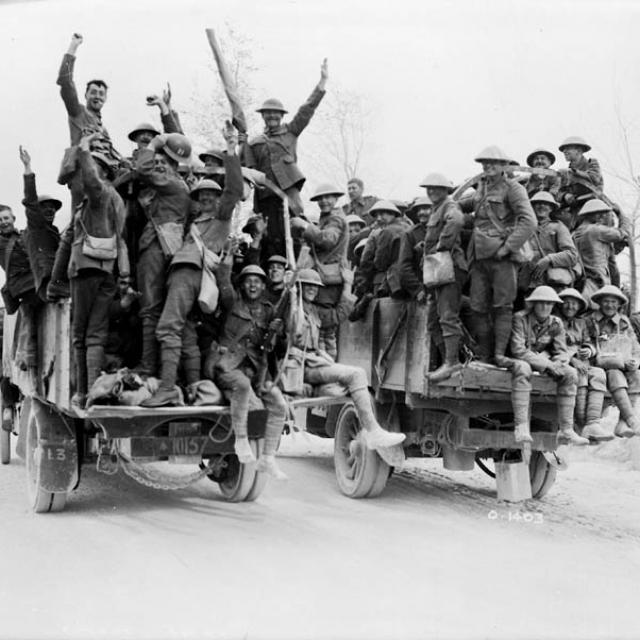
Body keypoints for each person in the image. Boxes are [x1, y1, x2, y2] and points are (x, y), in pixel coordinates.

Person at [142, 122, 243, 407]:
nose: (208, 199)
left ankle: (167, 390)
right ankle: (196, 388)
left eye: (212, 195)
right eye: (202, 195)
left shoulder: (221, 218)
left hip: (189, 272)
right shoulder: (194, 220)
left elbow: (234, 189)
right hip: (185, 273)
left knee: (167, 328)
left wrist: (231, 149)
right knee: (185, 333)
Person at [287, 268, 405, 465]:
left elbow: (340, 314)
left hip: (313, 365)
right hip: (297, 368)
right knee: (357, 374)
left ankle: (371, 429)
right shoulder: (292, 307)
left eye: (315, 287)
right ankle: (374, 432)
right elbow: (287, 310)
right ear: (298, 287)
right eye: (307, 286)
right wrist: (289, 288)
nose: (312, 290)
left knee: (353, 390)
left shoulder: (315, 312)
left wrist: (348, 285)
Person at [52, 133, 130, 409]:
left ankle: (82, 392)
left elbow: (92, 182)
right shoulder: (117, 201)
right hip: (107, 271)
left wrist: (84, 151)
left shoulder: (99, 195)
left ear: (103, 172)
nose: (90, 172)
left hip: (86, 270)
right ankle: (95, 390)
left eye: (95, 167)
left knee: (79, 335)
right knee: (96, 335)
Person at [204, 264, 289, 478]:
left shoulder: (269, 310)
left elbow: (277, 348)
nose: (253, 285)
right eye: (248, 281)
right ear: (242, 285)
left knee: (279, 404)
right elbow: (224, 280)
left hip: (256, 370)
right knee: (241, 386)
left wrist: (279, 333)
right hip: (227, 364)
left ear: (263, 286)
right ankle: (241, 441)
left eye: (258, 281)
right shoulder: (232, 302)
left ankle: (268, 458)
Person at [243, 59, 328, 258]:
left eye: (275, 113)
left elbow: (307, 110)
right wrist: (241, 144)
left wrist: (322, 83)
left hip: (288, 196)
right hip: (265, 198)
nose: (272, 116)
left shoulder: (291, 132)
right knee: (269, 237)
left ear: (281, 116)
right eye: (268, 113)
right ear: (263, 116)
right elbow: (249, 168)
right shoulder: (255, 142)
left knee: (294, 233)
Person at [467, 146, 537, 366]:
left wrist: (507, 248)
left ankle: (499, 355)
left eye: (493, 163)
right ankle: (485, 355)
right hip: (479, 257)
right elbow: (469, 208)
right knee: (478, 308)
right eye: (485, 163)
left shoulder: (513, 189)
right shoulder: (481, 188)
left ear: (504, 166)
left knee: (502, 307)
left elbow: (529, 221)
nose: (488, 166)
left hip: (502, 258)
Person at [131, 132, 194, 374]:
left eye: (162, 162)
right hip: (168, 248)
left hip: (155, 246)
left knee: (149, 309)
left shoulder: (173, 184)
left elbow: (143, 169)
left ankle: (148, 367)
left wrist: (153, 144)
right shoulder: (181, 186)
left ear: (170, 164)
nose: (159, 166)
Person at [510, 286, 588, 445]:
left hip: (544, 361)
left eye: (549, 304)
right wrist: (547, 365)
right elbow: (518, 350)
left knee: (571, 373)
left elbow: (561, 350)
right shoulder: (520, 318)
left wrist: (559, 363)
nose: (545, 307)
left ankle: (566, 430)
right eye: (541, 303)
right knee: (522, 369)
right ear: (533, 304)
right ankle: (521, 426)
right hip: (521, 359)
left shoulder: (556, 323)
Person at [290, 183, 348, 358]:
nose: (324, 201)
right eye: (320, 198)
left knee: (325, 331)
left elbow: (328, 240)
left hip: (329, 282)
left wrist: (304, 226)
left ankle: (329, 370)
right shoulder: (326, 219)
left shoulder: (336, 219)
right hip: (325, 279)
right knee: (320, 330)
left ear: (336, 198)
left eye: (328, 197)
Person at [420, 173, 467, 382]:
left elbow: (456, 221)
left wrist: (441, 245)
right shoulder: (437, 209)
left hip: (451, 267)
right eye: (429, 188)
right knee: (434, 320)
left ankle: (452, 362)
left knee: (448, 316)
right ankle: (449, 361)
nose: (431, 192)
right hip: (440, 270)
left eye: (436, 188)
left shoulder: (449, 206)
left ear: (445, 190)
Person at [586, 285, 640, 437]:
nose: (610, 305)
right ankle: (632, 420)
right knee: (614, 374)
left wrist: (635, 360)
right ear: (600, 302)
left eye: (613, 302)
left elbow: (634, 345)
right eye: (606, 301)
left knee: (637, 376)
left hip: (620, 364)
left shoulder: (623, 322)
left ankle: (623, 424)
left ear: (618, 304)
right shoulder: (591, 321)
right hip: (597, 364)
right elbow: (585, 342)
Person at [557, 288, 610, 441]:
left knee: (599, 373)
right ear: (560, 305)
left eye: (574, 304)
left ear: (579, 307)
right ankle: (581, 423)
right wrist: (574, 360)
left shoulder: (581, 323)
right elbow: (553, 348)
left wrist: (588, 350)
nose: (570, 307)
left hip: (582, 363)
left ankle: (593, 422)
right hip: (564, 363)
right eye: (566, 303)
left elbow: (588, 341)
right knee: (581, 374)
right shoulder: (554, 321)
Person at [19, 147, 62, 302]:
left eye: (53, 207)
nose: (50, 209)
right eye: (45, 206)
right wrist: (28, 168)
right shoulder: (36, 226)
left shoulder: (55, 231)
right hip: (48, 280)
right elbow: (31, 200)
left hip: (57, 278)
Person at [0, 204, 39, 370]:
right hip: (21, 284)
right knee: (29, 309)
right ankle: (26, 356)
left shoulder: (24, 235)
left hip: (31, 282)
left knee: (28, 312)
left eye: (6, 218)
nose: (3, 222)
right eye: (0, 220)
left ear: (13, 219)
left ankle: (23, 354)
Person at [571, 199, 629, 305]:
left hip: (582, 282)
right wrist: (621, 215)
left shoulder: (574, 234)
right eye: (600, 213)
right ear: (593, 215)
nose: (602, 216)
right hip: (598, 282)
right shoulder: (596, 230)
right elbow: (623, 233)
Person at [518, 191, 578, 292]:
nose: (541, 206)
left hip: (552, 285)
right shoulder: (523, 227)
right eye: (538, 203)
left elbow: (572, 255)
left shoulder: (558, 227)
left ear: (551, 208)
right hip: (526, 285)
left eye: (546, 204)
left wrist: (549, 260)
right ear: (532, 207)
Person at [557, 136, 603, 230]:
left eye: (568, 148)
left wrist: (574, 172)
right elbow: (559, 191)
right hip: (575, 211)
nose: (565, 152)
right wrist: (565, 196)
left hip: (594, 208)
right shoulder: (566, 172)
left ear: (579, 150)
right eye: (564, 150)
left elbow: (594, 178)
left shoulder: (591, 163)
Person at [372, 201, 412, 298]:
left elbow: (381, 261)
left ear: (392, 214)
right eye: (377, 216)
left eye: (382, 214)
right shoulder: (409, 227)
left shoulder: (387, 231)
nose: (378, 219)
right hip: (411, 277)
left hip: (395, 280)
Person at [398, 196, 432, 300]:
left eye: (425, 208)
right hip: (424, 289)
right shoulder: (411, 234)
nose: (421, 212)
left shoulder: (445, 229)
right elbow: (404, 266)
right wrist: (417, 289)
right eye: (418, 210)